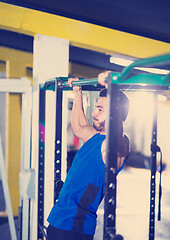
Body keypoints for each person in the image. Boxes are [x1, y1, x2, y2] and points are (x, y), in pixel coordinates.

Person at [46, 71, 129, 240]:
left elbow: (117, 139)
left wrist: (112, 87)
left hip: (76, 226)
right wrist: (78, 92)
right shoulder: (95, 137)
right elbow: (79, 126)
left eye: (99, 109)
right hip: (58, 220)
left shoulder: (115, 145)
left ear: (115, 112)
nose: (93, 113)